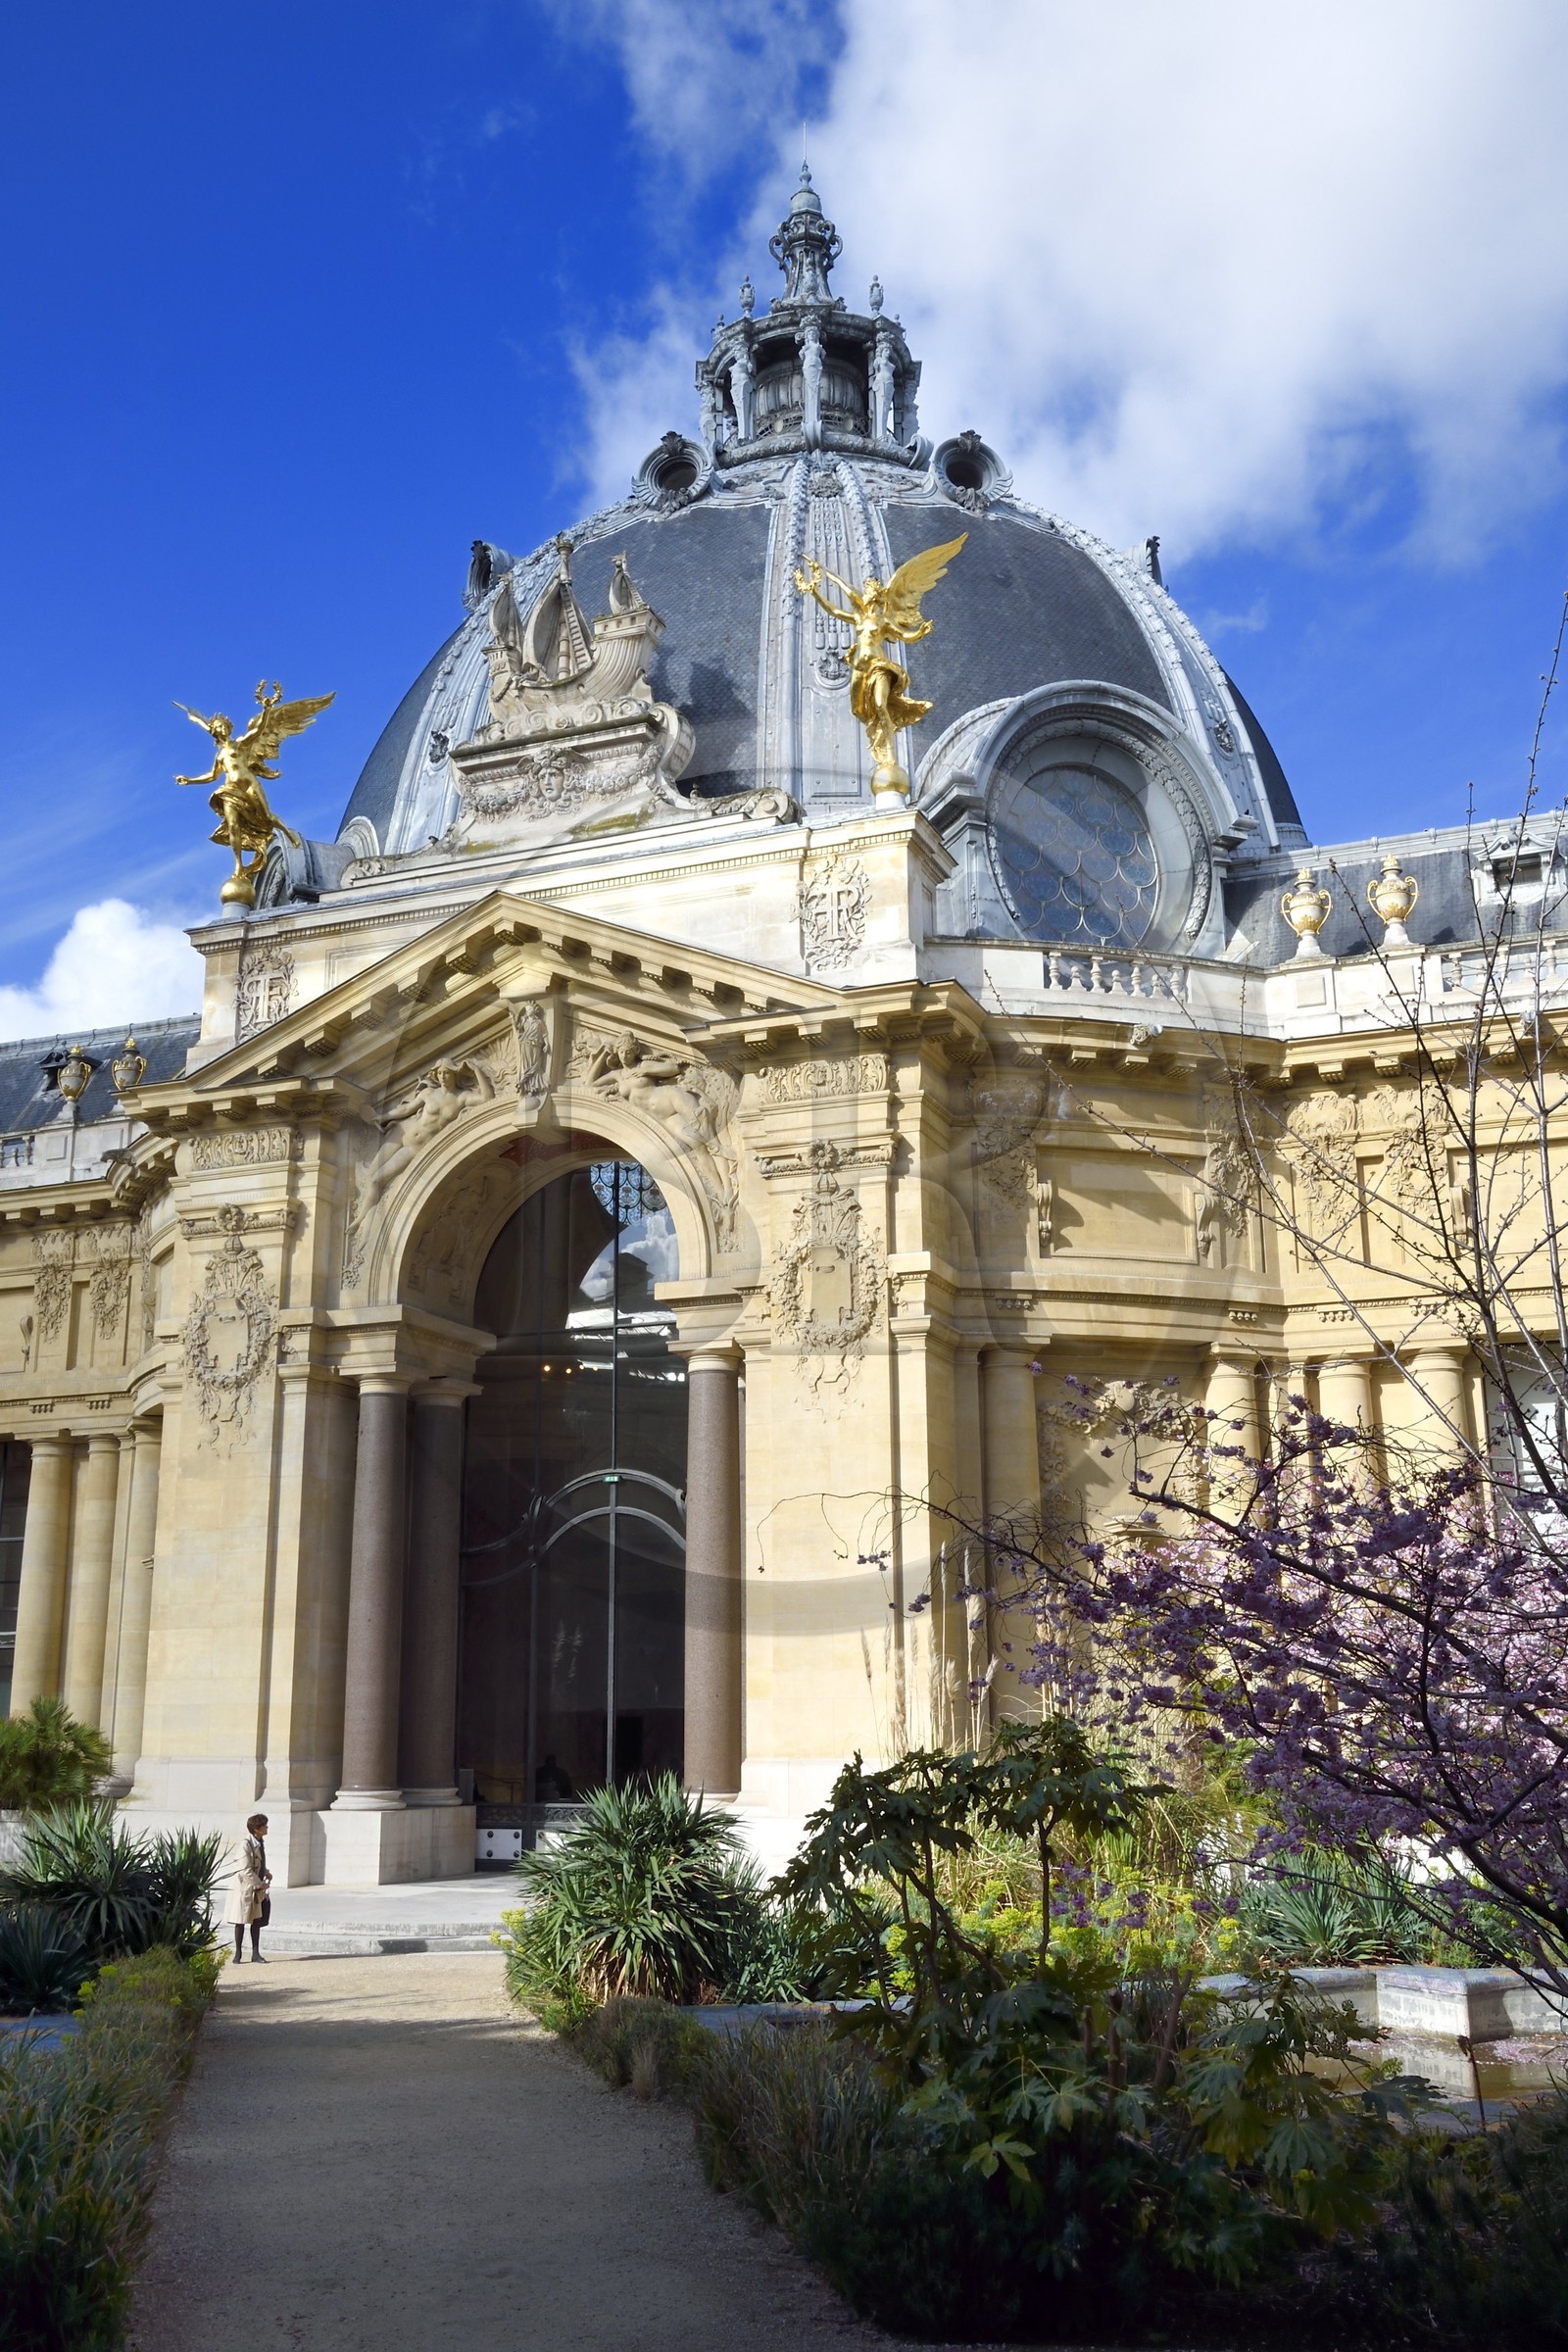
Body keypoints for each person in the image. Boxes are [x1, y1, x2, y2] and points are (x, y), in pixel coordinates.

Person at [225, 1812, 272, 1963]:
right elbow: (245, 1869)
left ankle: (255, 1953)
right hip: (244, 1889)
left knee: (256, 1920)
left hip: (254, 1888)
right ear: (257, 1829)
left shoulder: (259, 1842)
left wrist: (265, 1872)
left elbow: (257, 1862)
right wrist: (260, 1883)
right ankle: (238, 1954)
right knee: (241, 1921)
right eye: (264, 1826)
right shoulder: (246, 1844)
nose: (267, 1828)